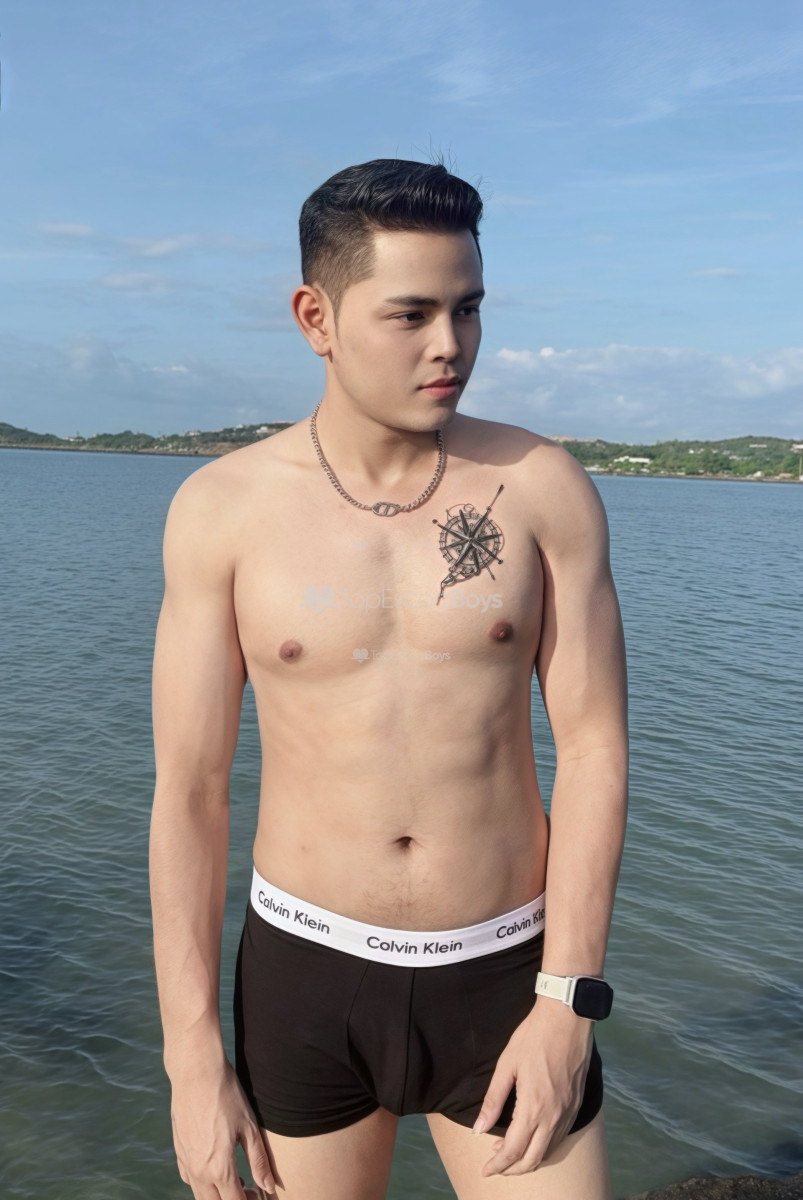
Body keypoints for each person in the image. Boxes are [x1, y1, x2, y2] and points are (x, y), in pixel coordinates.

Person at [149, 157, 628, 1200]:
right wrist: (191, 1060)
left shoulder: (539, 488)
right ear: (315, 317)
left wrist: (567, 1002)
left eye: (468, 309)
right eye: (410, 314)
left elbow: (594, 749)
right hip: (304, 973)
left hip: (508, 970)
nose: (449, 344)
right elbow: (188, 791)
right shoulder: (221, 511)